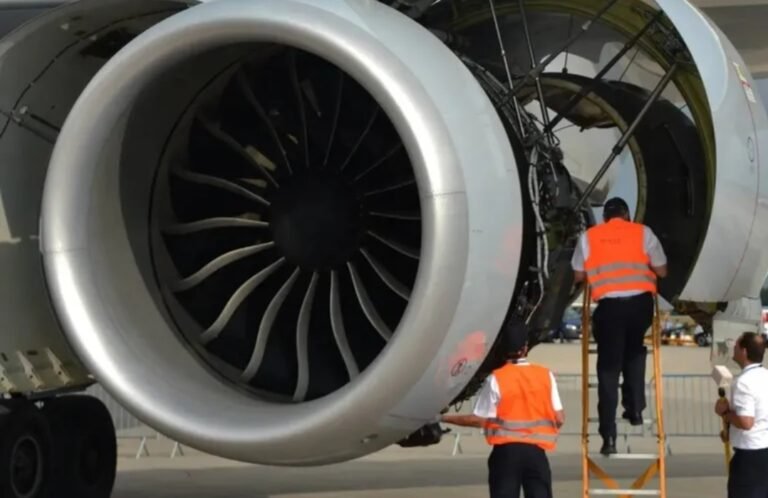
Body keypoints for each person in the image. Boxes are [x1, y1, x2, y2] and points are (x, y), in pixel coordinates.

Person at [571, 197, 667, 455]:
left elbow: (579, 275)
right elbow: (662, 270)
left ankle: (608, 438)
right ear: (627, 215)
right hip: (640, 306)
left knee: (608, 371)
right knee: (635, 352)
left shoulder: (590, 236)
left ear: (606, 218)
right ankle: (635, 408)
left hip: (609, 309)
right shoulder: (643, 233)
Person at [440, 320, 565, 498]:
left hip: (506, 455)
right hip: (536, 453)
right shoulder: (545, 375)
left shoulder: (497, 378)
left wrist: (443, 418)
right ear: (525, 348)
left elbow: (479, 419)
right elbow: (559, 418)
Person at [714, 332, 768, 498]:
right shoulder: (765, 376)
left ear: (744, 351)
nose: (733, 349)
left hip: (750, 457)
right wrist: (729, 429)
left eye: (736, 346)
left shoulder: (744, 382)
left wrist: (726, 413)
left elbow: (746, 422)